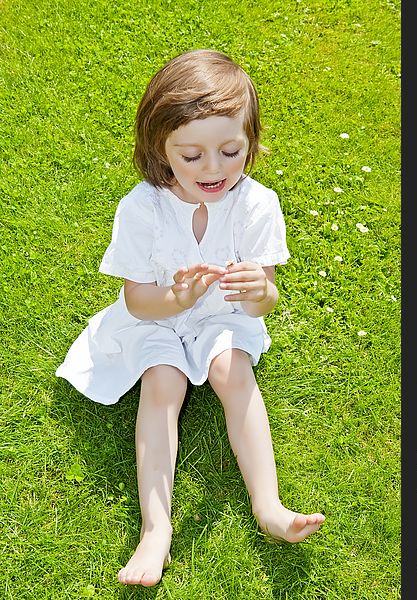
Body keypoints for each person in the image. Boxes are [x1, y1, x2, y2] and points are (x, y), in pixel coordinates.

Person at [56, 49, 325, 588]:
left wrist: (260, 292)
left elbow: (262, 298)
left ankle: (268, 505)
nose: (214, 169)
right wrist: (176, 300)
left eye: (230, 151)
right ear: (161, 149)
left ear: (250, 142)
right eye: (192, 155)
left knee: (232, 371)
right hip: (158, 318)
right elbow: (137, 301)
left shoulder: (256, 205)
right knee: (163, 383)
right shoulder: (143, 208)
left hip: (221, 316)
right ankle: (156, 530)